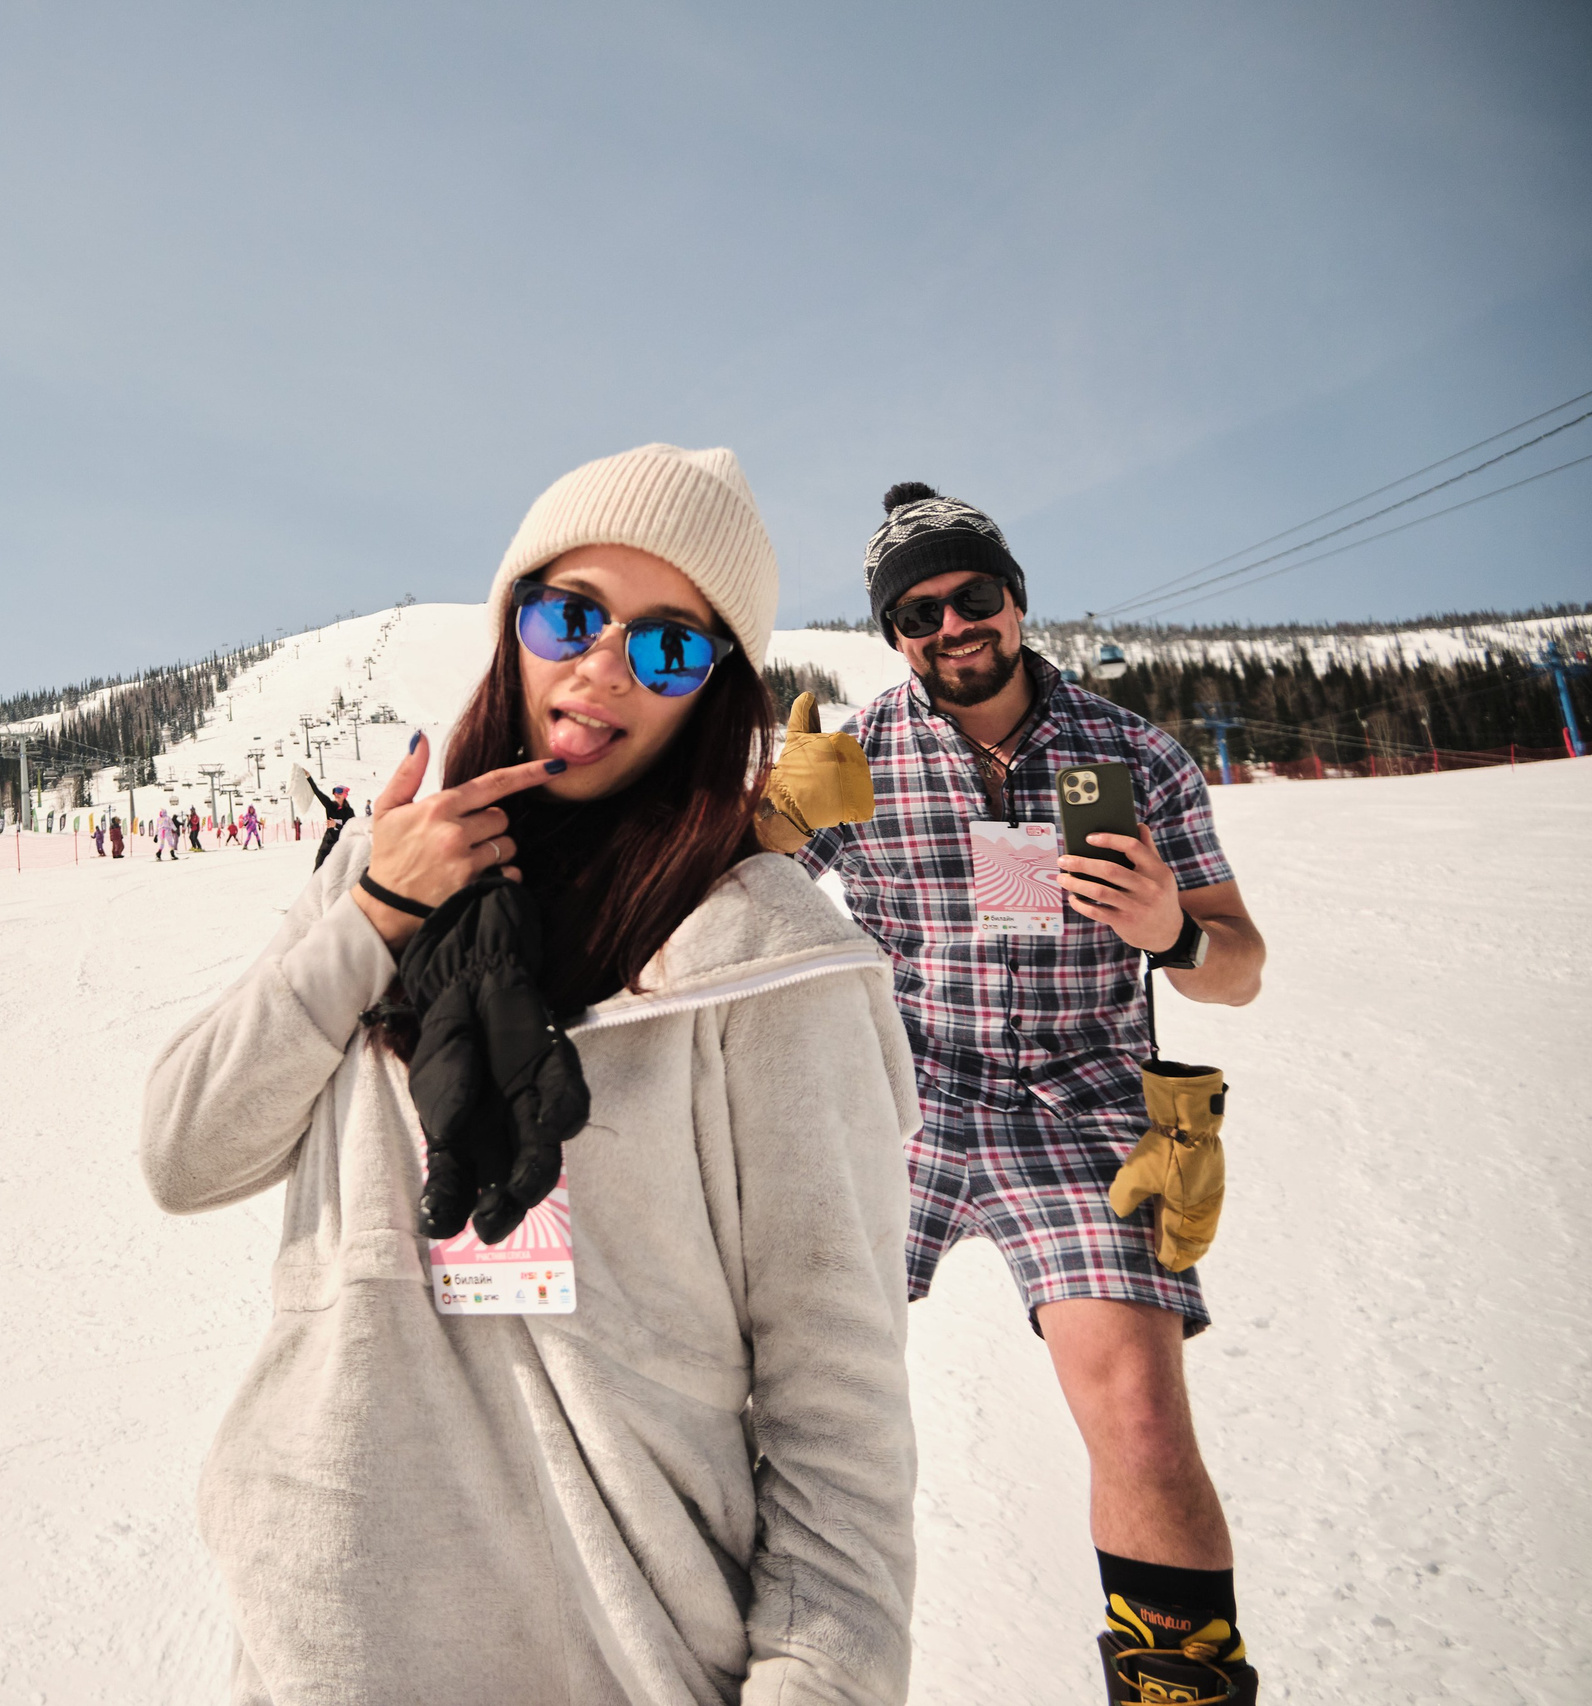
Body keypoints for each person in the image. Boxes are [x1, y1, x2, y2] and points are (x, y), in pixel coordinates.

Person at [143, 444, 920, 1702]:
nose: (604, 666)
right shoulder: (380, 869)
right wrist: (375, 911)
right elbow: (185, 1152)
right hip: (324, 1631)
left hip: (621, 1642)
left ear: (713, 688)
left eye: (670, 644)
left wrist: (817, 1681)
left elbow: (837, 1404)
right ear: (512, 623)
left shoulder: (767, 959)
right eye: (571, 614)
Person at [770, 482, 1268, 1703]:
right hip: (902, 1087)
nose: (951, 625)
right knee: (762, 1379)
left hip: (1082, 1097)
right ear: (892, 633)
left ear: (1016, 597)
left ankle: (1175, 1687)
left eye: (971, 595)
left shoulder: (1131, 755)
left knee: (1139, 1404)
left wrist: (1170, 933)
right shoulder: (862, 754)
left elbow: (1239, 966)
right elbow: (702, 882)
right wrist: (773, 815)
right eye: (916, 611)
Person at [311, 782, 355, 868]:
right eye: (335, 793)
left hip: (340, 844)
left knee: (338, 870)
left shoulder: (349, 812)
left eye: (339, 792)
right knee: (319, 865)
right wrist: (308, 777)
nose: (336, 795)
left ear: (345, 795)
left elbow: (350, 829)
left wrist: (336, 825)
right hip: (328, 842)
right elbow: (317, 792)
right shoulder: (330, 806)